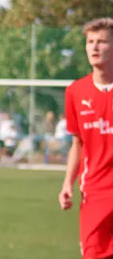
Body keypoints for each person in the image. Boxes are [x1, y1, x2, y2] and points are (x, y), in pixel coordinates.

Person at [59, 17, 113, 259]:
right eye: (90, 42)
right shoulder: (75, 92)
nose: (94, 47)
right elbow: (77, 143)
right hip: (94, 195)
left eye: (101, 42)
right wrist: (67, 183)